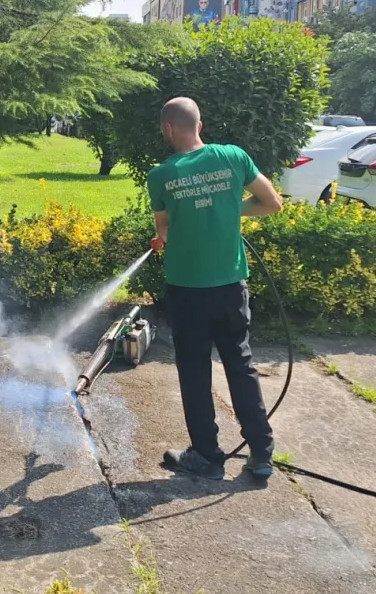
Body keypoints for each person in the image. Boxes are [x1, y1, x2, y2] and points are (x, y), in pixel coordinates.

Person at [145, 97, 283, 481]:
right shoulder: (233, 157)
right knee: (240, 365)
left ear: (168, 129)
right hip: (231, 285)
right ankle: (261, 454)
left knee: (194, 371)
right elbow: (272, 203)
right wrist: (228, 206)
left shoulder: (161, 175)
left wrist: (168, 232)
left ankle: (207, 456)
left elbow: (164, 230)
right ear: (200, 126)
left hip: (188, 290)